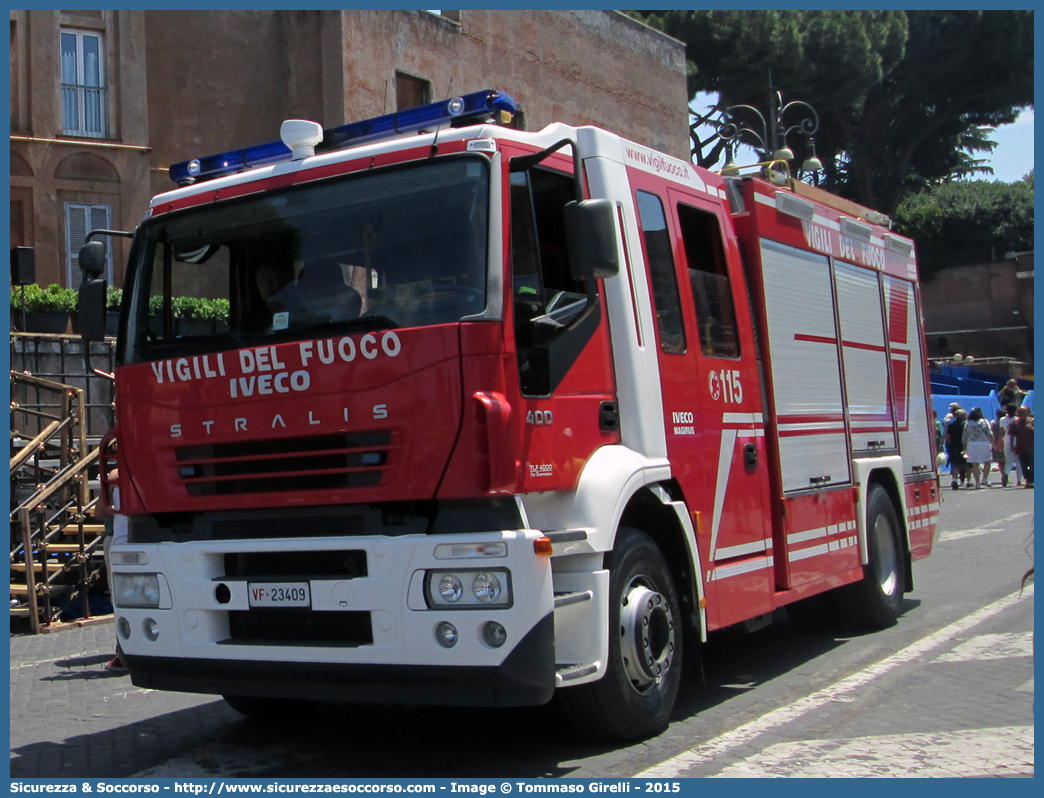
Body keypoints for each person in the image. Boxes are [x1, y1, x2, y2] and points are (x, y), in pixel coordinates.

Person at [962, 407, 993, 489]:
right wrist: (994, 443)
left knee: (974, 464)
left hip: (972, 444)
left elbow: (964, 437)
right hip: (984, 443)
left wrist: (964, 449)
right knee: (987, 461)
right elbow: (990, 433)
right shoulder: (984, 422)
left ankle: (977, 483)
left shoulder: (967, 423)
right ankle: (985, 478)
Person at [1008, 406, 1034, 488]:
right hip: (1021, 448)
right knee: (1023, 466)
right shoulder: (1014, 423)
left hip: (1032, 448)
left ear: (1027, 413)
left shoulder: (1032, 421)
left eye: (1023, 412)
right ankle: (1028, 480)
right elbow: (1011, 435)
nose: (1021, 414)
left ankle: (1032, 480)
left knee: (1033, 465)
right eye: (1019, 412)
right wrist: (1011, 445)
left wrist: (1031, 428)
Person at [999, 403, 1023, 487]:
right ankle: (1019, 480)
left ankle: (1005, 474)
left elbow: (1001, 433)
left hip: (1007, 441)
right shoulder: (1017, 420)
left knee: (1008, 462)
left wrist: (999, 443)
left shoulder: (1002, 419)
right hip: (1017, 442)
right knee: (1018, 462)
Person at [945, 408, 969, 490]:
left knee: (954, 463)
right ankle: (968, 481)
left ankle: (954, 479)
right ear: (963, 416)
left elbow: (948, 436)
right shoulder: (965, 425)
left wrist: (950, 443)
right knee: (967, 463)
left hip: (953, 446)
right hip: (963, 445)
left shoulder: (951, 425)